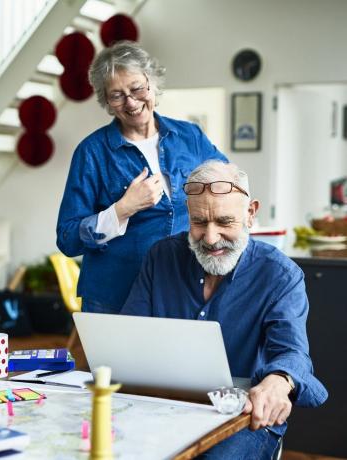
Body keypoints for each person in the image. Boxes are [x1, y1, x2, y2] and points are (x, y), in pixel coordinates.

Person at [120, 160, 328, 459]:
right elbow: (130, 333)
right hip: (165, 403)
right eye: (199, 222)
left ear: (250, 214)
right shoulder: (161, 256)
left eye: (224, 221)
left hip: (243, 418)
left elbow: (292, 352)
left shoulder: (281, 275)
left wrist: (279, 381)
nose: (210, 237)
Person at [56, 41, 227, 314]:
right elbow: (67, 238)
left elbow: (228, 187)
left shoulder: (190, 136)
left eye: (137, 89)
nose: (131, 102)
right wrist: (122, 209)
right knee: (113, 360)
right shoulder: (92, 152)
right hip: (115, 296)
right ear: (106, 101)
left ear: (152, 83)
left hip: (183, 290)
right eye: (117, 95)